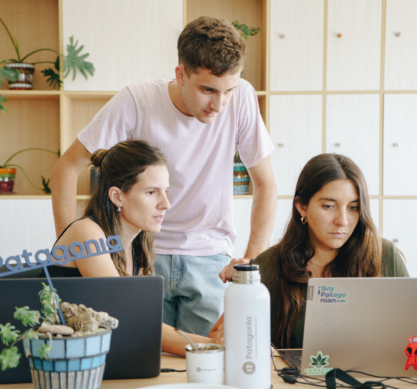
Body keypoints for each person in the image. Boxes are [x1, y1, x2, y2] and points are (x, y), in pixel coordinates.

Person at [51, 16, 278, 337]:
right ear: (180, 73)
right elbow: (67, 167)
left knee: (206, 366)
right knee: (144, 356)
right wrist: (68, 252)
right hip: (143, 255)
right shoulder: (137, 100)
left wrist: (251, 260)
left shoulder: (241, 97)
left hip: (210, 258)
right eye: (207, 90)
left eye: (228, 91)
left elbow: (266, 184)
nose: (219, 104)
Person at [213, 154, 409, 349]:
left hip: (376, 379)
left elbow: (415, 330)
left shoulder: (384, 255)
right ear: (302, 207)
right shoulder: (269, 265)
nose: (343, 220)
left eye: (353, 207)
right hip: (292, 379)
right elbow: (216, 335)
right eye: (329, 206)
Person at [51, 140, 211, 356]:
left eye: (165, 191)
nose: (166, 204)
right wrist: (213, 346)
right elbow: (128, 320)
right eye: (152, 192)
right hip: (58, 364)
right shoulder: (86, 234)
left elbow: (142, 320)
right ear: (117, 196)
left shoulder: (138, 243)